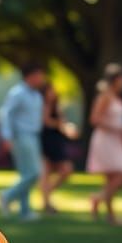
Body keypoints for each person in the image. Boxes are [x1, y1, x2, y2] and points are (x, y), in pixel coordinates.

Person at [86, 63, 122, 226]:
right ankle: (101, 203)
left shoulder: (117, 98)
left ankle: (105, 209)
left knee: (116, 178)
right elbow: (95, 119)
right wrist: (118, 129)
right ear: (115, 80)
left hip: (116, 141)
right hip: (106, 140)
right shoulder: (105, 97)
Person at [0, 63, 47, 221]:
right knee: (34, 173)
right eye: (39, 74)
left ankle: (25, 211)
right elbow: (6, 114)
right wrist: (7, 136)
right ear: (30, 76)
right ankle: (7, 195)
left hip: (33, 135)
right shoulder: (18, 93)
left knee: (26, 174)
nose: (42, 78)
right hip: (21, 136)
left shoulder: (36, 94)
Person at [38, 84, 73, 214]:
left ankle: (47, 194)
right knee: (45, 173)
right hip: (45, 141)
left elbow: (62, 122)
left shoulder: (57, 106)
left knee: (66, 169)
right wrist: (58, 124)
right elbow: (45, 121)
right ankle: (47, 203)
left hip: (56, 142)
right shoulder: (42, 105)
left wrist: (67, 129)